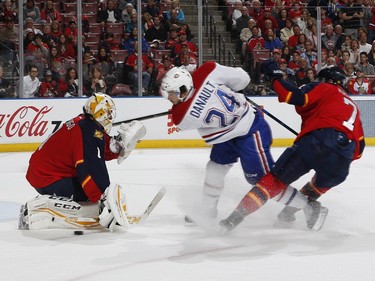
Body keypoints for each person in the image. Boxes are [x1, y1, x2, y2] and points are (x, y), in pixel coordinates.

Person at [160, 63, 315, 227]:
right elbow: (243, 78)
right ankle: (207, 211)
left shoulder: (181, 116)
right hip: (231, 133)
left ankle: (309, 206)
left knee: (262, 180)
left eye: (171, 94)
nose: (169, 98)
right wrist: (232, 89)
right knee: (215, 169)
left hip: (250, 131)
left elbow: (186, 115)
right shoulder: (208, 70)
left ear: (183, 89)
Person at [219, 61, 365, 232]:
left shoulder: (326, 88)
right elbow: (359, 150)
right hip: (342, 161)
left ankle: (233, 220)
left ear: (327, 80)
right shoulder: (352, 106)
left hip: (316, 141)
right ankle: (288, 215)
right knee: (318, 185)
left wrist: (274, 76)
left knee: (273, 182)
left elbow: (292, 95)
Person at [20, 93, 147, 231]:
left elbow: (100, 146)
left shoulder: (86, 124)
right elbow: (88, 166)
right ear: (101, 114)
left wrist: (117, 145)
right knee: (88, 194)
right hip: (47, 178)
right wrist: (102, 197)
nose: (110, 118)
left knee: (89, 190)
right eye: (109, 114)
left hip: (43, 173)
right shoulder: (87, 130)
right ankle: (40, 209)